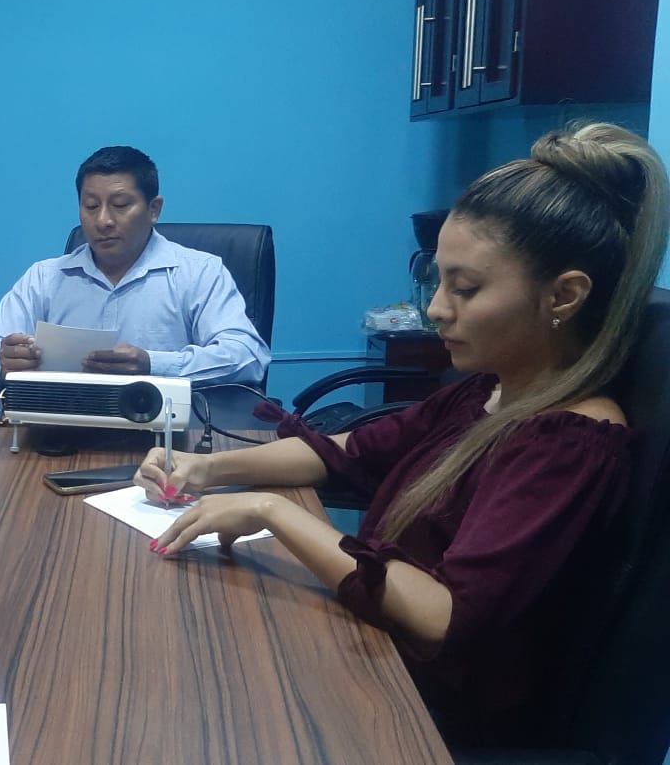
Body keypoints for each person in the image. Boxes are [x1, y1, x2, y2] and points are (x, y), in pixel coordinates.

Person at [134, 122, 668, 747]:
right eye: (437, 281)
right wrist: (206, 469)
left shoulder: (567, 444)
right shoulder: (488, 392)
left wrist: (271, 511)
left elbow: (445, 619)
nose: (436, 307)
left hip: (424, 720)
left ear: (564, 296)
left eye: (465, 288)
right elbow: (351, 452)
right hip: (377, 656)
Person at [0, 145, 269, 383]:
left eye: (120, 205)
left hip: (163, 431)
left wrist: (153, 365)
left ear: (153, 209)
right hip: (59, 427)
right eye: (91, 206)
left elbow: (248, 356)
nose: (103, 220)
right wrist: (1, 362)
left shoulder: (199, 272)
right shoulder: (45, 277)